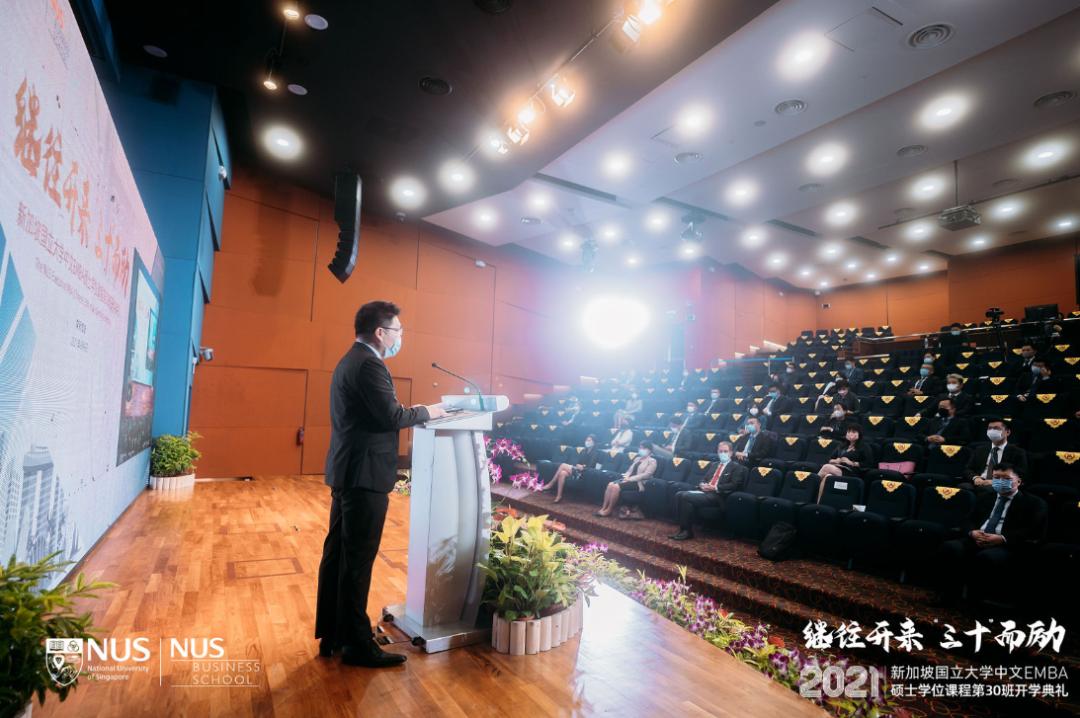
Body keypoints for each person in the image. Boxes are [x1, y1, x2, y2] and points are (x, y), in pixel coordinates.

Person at [316, 301, 448, 668]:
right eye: (398, 331)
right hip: (365, 475)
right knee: (357, 561)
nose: (400, 337)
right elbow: (391, 416)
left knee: (338, 557)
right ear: (380, 332)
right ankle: (357, 645)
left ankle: (334, 633)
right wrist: (428, 412)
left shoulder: (350, 360)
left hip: (349, 471)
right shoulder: (370, 364)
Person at [934, 464, 1047, 604]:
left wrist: (1002, 538)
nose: (1000, 481)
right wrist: (972, 532)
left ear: (1019, 481)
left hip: (1006, 545)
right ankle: (948, 594)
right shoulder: (985, 496)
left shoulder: (1034, 503)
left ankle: (975, 601)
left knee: (987, 558)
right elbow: (968, 520)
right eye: (996, 478)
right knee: (950, 547)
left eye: (1006, 478)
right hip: (977, 538)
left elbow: (1032, 531)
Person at [668, 442, 748, 540]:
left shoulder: (737, 467)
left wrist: (715, 487)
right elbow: (704, 479)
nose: (723, 453)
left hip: (718, 496)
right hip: (705, 492)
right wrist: (702, 484)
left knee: (685, 496)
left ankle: (687, 531)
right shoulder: (714, 464)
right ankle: (684, 530)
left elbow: (734, 485)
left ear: (731, 453)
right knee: (679, 494)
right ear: (717, 452)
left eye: (725, 451)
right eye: (720, 451)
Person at [595, 441, 658, 518]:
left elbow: (647, 475)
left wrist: (630, 479)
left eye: (643, 448)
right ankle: (603, 508)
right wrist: (626, 477)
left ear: (649, 450)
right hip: (628, 479)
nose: (641, 450)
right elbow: (629, 470)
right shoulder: (637, 459)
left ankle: (609, 510)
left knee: (615, 487)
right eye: (640, 448)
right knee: (610, 484)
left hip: (638, 483)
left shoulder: (652, 461)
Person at [816, 423, 874, 501]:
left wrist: (851, 463)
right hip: (838, 467)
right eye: (848, 431)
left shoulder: (864, 447)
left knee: (826, 467)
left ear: (859, 434)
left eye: (853, 432)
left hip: (852, 471)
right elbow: (830, 459)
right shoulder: (842, 446)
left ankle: (812, 483)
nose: (850, 434)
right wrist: (836, 460)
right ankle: (818, 501)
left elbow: (869, 463)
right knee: (827, 477)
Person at [964, 418, 1028, 488]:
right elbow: (968, 469)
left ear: (1008, 432)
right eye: (989, 428)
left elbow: (1020, 475)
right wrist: (975, 478)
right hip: (979, 483)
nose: (992, 431)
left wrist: (996, 482)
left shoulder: (1018, 452)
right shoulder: (980, 449)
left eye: (996, 428)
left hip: (1001, 486)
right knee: (963, 488)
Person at [544, 434, 600, 503]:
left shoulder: (596, 453)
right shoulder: (584, 451)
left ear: (594, 442)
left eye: (589, 440)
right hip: (578, 471)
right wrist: (579, 465)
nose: (587, 442)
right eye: (586, 440)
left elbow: (591, 466)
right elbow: (578, 462)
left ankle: (551, 483)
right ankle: (559, 496)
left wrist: (583, 467)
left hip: (585, 473)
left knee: (563, 465)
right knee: (562, 473)